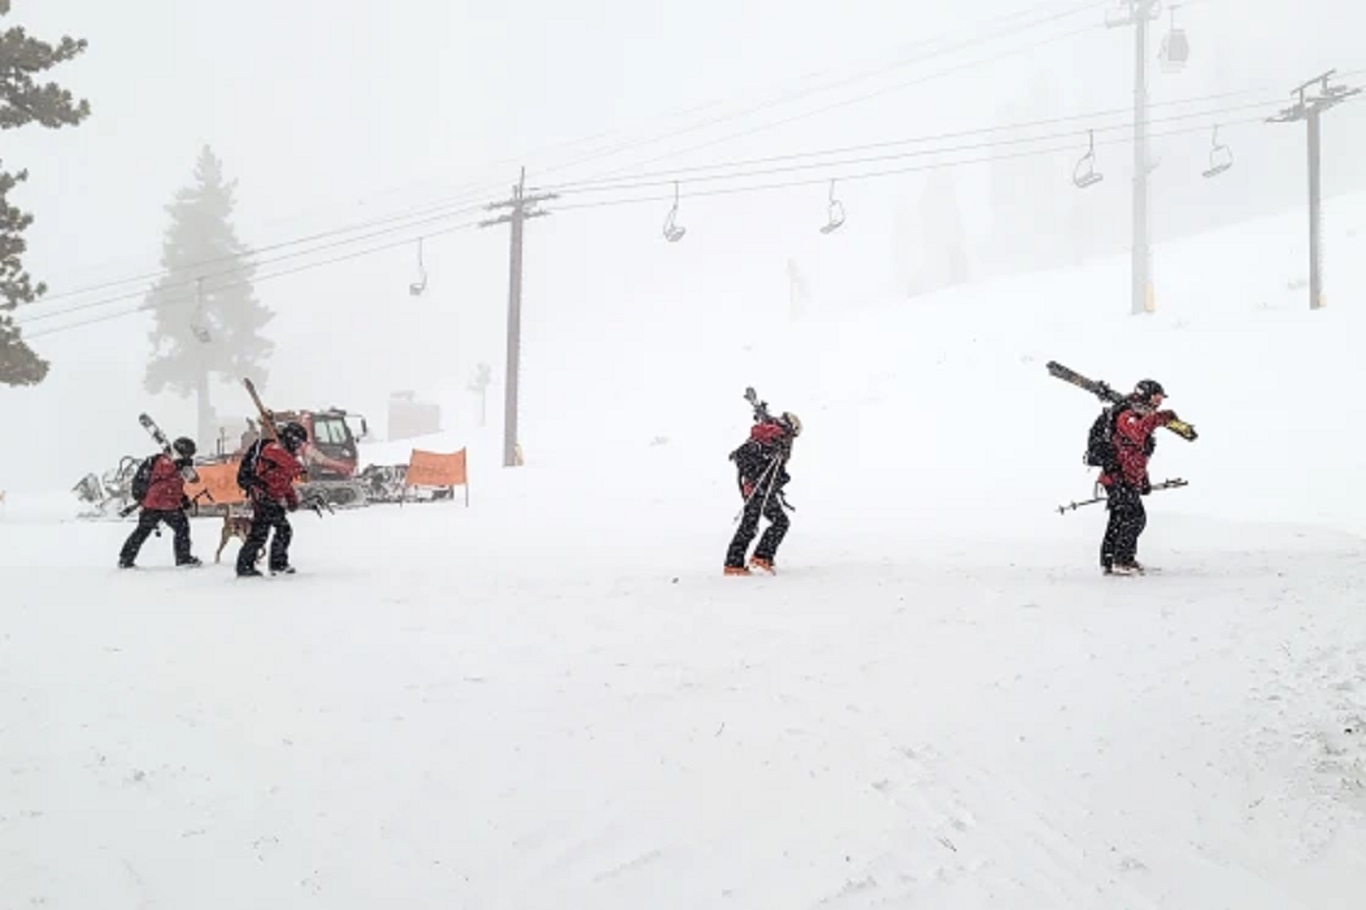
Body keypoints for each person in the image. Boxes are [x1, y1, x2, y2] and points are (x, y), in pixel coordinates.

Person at [1098, 379, 1179, 576]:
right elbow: (1136, 433)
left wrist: (1143, 480)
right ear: (1146, 394)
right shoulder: (1128, 415)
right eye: (1157, 397)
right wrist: (1159, 419)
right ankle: (1121, 560)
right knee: (1134, 518)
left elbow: (1137, 456)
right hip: (1117, 477)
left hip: (1127, 477)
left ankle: (1112, 560)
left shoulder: (1140, 415)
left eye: (1161, 399)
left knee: (1121, 518)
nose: (1159, 403)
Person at [724, 410, 802, 575]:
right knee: (762, 524)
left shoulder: (769, 438)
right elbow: (747, 457)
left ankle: (754, 559)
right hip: (758, 489)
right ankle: (738, 563)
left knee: (762, 523)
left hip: (757, 488)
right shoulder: (774, 439)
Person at [236, 422, 308, 577]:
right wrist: (300, 469)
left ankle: (245, 566)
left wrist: (291, 499)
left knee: (259, 533)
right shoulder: (273, 448)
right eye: (299, 442)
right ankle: (278, 564)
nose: (299, 446)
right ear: (292, 438)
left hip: (270, 497)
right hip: (262, 494)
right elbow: (283, 459)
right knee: (283, 529)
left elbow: (284, 483)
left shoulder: (285, 455)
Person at [118, 437, 202, 569]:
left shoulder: (166, 461)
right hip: (164, 504)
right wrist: (179, 466)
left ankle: (125, 559)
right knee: (182, 528)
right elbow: (166, 475)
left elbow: (174, 486)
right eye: (189, 453)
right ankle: (183, 558)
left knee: (142, 531)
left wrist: (183, 499)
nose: (190, 456)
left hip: (154, 503)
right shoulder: (166, 461)